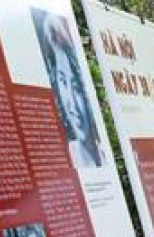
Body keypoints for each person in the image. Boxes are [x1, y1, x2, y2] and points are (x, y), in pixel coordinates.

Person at [34, 9, 106, 169]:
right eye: (63, 83)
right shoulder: (70, 159)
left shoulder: (104, 152)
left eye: (76, 86)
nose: (71, 104)